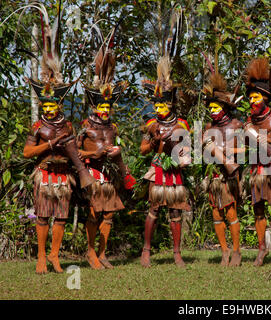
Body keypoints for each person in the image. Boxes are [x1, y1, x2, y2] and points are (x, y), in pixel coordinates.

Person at [23, 5, 94, 274]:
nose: (49, 110)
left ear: (59, 105)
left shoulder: (68, 125)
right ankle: (40, 256)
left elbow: (75, 152)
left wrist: (83, 164)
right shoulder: (38, 126)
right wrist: (50, 145)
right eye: (45, 107)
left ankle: (54, 255)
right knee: (42, 217)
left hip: (64, 177)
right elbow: (28, 154)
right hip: (45, 174)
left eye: (53, 107)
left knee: (61, 218)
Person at [78, 20, 135, 270]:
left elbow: (117, 147)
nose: (104, 111)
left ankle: (102, 253)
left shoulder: (113, 128)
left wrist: (118, 154)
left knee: (109, 214)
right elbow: (76, 152)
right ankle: (90, 253)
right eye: (101, 107)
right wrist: (95, 152)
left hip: (109, 175)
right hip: (92, 175)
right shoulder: (85, 127)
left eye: (107, 107)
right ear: (94, 107)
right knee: (93, 213)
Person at [139, 55, 191, 268]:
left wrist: (183, 158)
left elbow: (186, 149)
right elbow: (143, 150)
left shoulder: (182, 124)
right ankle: (146, 251)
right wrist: (153, 144)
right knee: (154, 208)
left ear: (171, 104)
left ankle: (177, 253)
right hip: (158, 169)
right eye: (156, 105)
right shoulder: (151, 124)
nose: (158, 109)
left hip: (174, 171)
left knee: (175, 210)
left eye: (162, 105)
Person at [243, 57, 271, 267]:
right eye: (251, 98)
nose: (253, 101)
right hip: (256, 165)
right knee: (258, 208)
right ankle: (262, 249)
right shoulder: (249, 120)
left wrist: (269, 139)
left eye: (256, 97)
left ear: (266, 97)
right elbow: (245, 145)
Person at [201, 71, 243, 266]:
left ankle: (236, 251)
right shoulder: (208, 126)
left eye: (216, 107)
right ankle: (224, 251)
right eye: (210, 108)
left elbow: (245, 150)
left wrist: (226, 149)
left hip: (229, 176)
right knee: (216, 214)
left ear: (225, 107)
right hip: (214, 177)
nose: (212, 111)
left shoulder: (236, 125)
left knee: (230, 214)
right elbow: (201, 154)